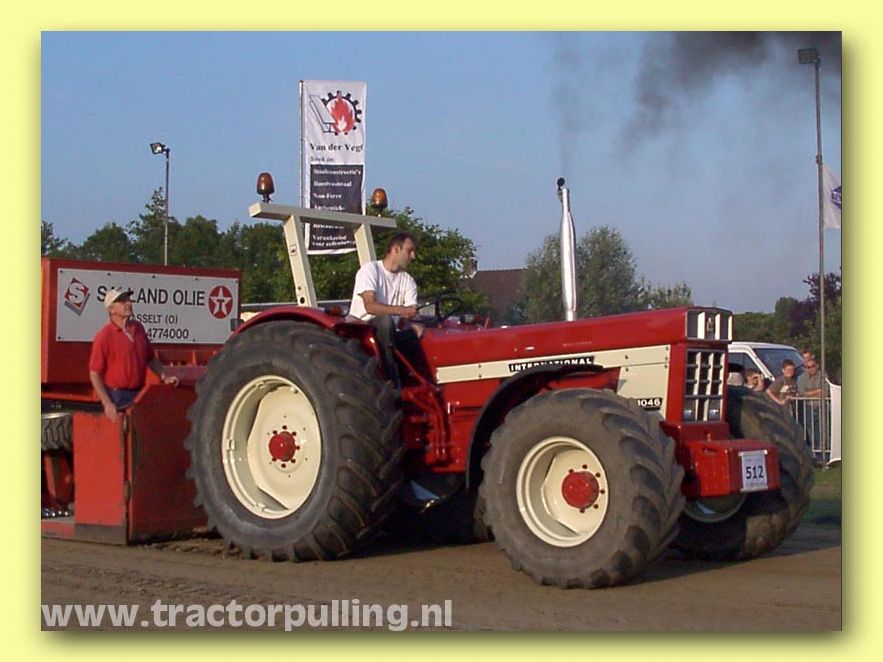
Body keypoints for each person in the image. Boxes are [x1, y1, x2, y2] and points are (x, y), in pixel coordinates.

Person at [89, 288, 178, 422]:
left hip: (140, 393)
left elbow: (151, 358)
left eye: (129, 300)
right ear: (112, 309)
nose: (129, 303)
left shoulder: (138, 328)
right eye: (123, 301)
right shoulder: (104, 335)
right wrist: (107, 402)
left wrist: (165, 377)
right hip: (118, 396)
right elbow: (94, 373)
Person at [349, 232, 424, 381]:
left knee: (416, 333)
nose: (413, 256)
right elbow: (370, 306)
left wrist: (417, 324)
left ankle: (418, 381)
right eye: (410, 251)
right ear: (396, 249)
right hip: (362, 328)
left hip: (391, 332)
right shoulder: (370, 270)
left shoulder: (408, 280)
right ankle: (390, 379)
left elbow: (412, 312)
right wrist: (401, 310)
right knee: (385, 321)